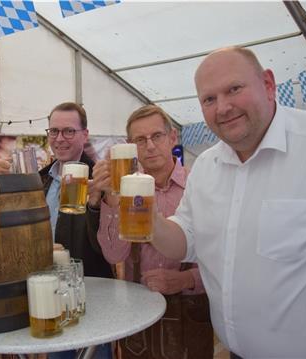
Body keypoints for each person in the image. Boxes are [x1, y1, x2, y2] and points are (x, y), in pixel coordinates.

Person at [151, 47, 306, 359]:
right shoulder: (205, 166)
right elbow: (184, 241)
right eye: (209, 99)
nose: (223, 107)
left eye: (234, 89)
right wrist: (149, 220)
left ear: (268, 85)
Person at [86, 105, 213, 359]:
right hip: (139, 310)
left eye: (157, 136)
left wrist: (187, 280)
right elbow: (113, 256)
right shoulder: (125, 189)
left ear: (173, 137)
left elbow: (223, 255)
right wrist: (110, 197)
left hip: (192, 311)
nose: (150, 146)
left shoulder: (200, 184)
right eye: (140, 140)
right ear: (130, 145)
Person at [39, 102, 113, 359]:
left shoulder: (102, 180)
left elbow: (109, 249)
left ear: (85, 134)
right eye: (54, 131)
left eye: (69, 131)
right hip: (49, 296)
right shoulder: (41, 179)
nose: (60, 138)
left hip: (92, 299)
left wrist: (95, 205)